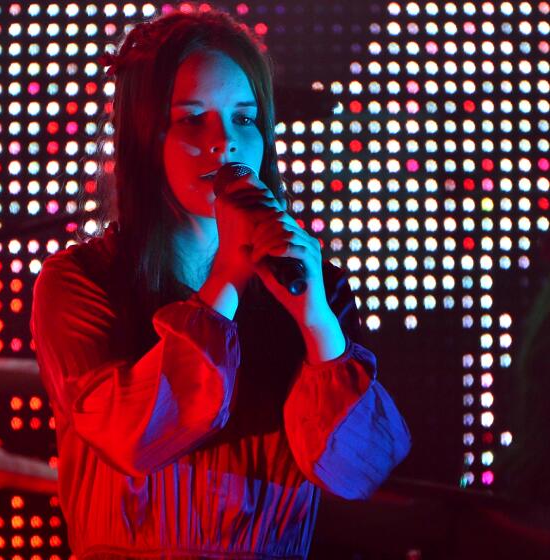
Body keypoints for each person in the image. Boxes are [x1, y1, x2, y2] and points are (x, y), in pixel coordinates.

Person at [30, 8, 411, 559]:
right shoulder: (80, 283)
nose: (224, 142)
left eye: (245, 119)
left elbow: (358, 469)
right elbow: (134, 433)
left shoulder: (310, 284)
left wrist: (317, 323)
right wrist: (225, 282)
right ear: (143, 135)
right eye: (191, 120)